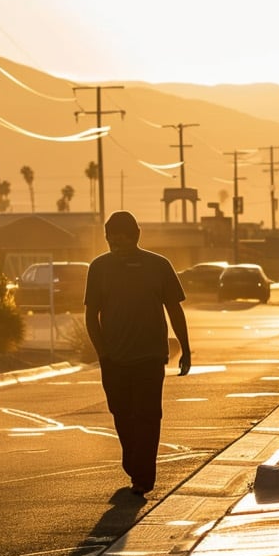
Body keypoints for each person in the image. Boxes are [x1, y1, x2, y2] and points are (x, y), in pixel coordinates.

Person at [85, 211, 192, 495]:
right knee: (121, 414)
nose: (116, 248)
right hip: (114, 359)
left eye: (122, 242)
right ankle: (134, 463)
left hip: (150, 357)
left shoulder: (158, 266)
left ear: (136, 237)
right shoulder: (99, 267)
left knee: (147, 416)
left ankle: (143, 477)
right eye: (111, 243)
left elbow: (174, 310)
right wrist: (102, 353)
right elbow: (90, 315)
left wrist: (185, 347)